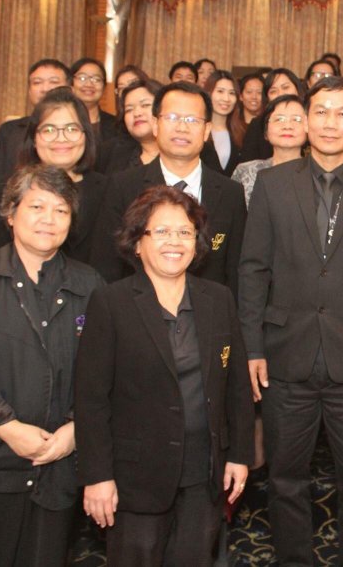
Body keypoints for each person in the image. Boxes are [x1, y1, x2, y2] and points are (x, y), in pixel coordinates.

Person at [238, 76, 343, 566]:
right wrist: (252, 347)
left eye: (342, 113)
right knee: (285, 478)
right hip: (284, 355)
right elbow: (253, 271)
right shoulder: (272, 185)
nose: (331, 123)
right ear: (306, 120)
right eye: (321, 112)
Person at [77, 185, 254, 565]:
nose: (174, 241)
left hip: (204, 473)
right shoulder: (111, 302)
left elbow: (237, 388)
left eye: (184, 232)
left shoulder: (218, 299)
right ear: (137, 243)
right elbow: (91, 399)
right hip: (134, 478)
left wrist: (240, 455)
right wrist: (97, 476)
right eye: (161, 231)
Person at [0, 164, 102, 567]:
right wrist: (9, 429)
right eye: (37, 207)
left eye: (61, 210)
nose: (49, 219)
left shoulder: (90, 286)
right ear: (11, 213)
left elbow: (103, 373)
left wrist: (75, 430)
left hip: (57, 464)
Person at [92, 81, 246, 293]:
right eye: (172, 118)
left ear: (206, 130)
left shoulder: (231, 193)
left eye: (192, 120)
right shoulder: (122, 187)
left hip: (210, 310)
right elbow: (106, 266)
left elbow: (236, 271)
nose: (182, 128)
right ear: (156, 125)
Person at [0, 87, 105, 265]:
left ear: (86, 136)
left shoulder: (107, 190)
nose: (61, 138)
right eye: (49, 130)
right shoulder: (7, 187)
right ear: (34, 138)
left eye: (72, 129)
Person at [0, 59, 71, 189]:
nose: (45, 89)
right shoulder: (9, 131)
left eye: (53, 82)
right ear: (29, 91)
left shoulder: (77, 131)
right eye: (37, 82)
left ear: (69, 88)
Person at [231, 94, 308, 205]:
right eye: (279, 119)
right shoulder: (246, 172)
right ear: (266, 131)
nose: (287, 126)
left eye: (296, 119)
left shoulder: (317, 174)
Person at [240, 68, 306, 162]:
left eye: (285, 87)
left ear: (297, 89)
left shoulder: (311, 119)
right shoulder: (258, 124)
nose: (280, 94)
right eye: (273, 91)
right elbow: (248, 161)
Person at [98, 79, 161, 174]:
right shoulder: (109, 154)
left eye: (145, 105)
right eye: (129, 109)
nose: (136, 113)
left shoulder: (181, 151)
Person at [200, 70, 243, 176]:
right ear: (208, 93)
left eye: (231, 93)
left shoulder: (242, 132)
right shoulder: (198, 131)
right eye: (220, 91)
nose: (226, 98)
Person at [71, 58, 118, 143]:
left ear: (104, 87)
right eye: (82, 78)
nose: (89, 84)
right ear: (71, 84)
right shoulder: (59, 120)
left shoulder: (117, 126)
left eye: (96, 79)